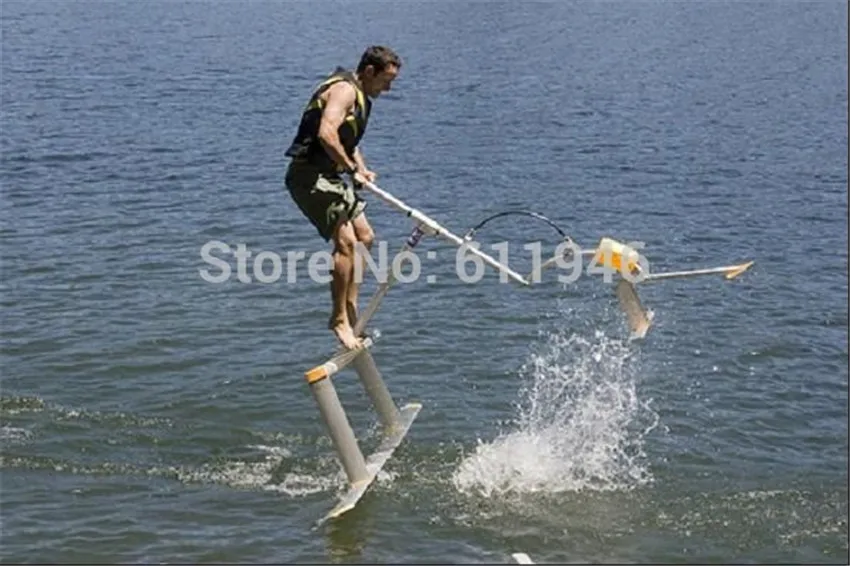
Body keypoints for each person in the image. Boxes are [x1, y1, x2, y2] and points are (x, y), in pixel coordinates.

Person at [284, 46, 401, 350]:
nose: (388, 89)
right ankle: (338, 320)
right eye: (386, 80)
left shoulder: (361, 97)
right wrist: (351, 170)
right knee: (346, 243)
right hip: (308, 176)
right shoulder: (343, 90)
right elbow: (326, 133)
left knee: (366, 238)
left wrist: (361, 168)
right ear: (370, 71)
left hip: (331, 177)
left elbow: (347, 141)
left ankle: (349, 307)